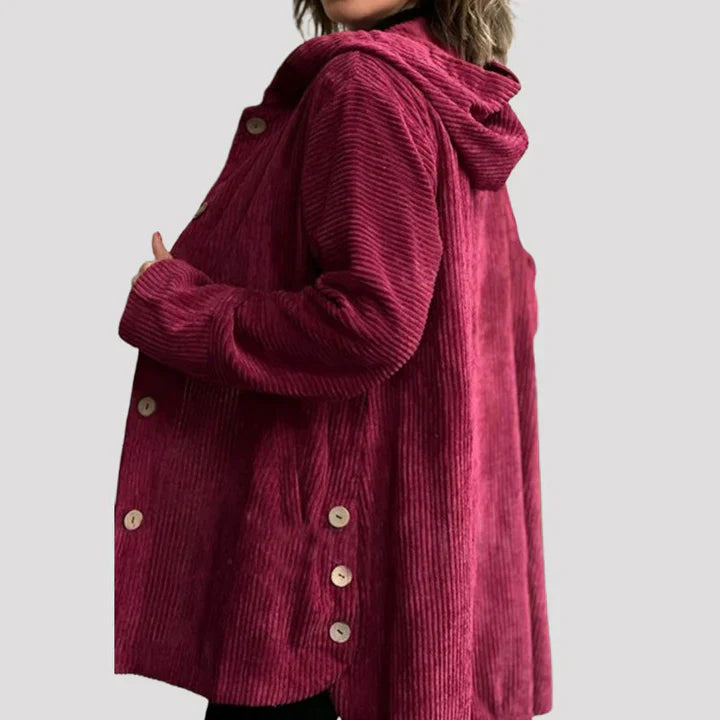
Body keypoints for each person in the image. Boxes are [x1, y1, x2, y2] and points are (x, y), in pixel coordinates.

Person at [114, 1, 553, 719]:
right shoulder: (458, 98)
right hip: (427, 586)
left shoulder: (365, 87)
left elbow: (371, 325)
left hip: (324, 593)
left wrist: (179, 308)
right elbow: (507, 308)